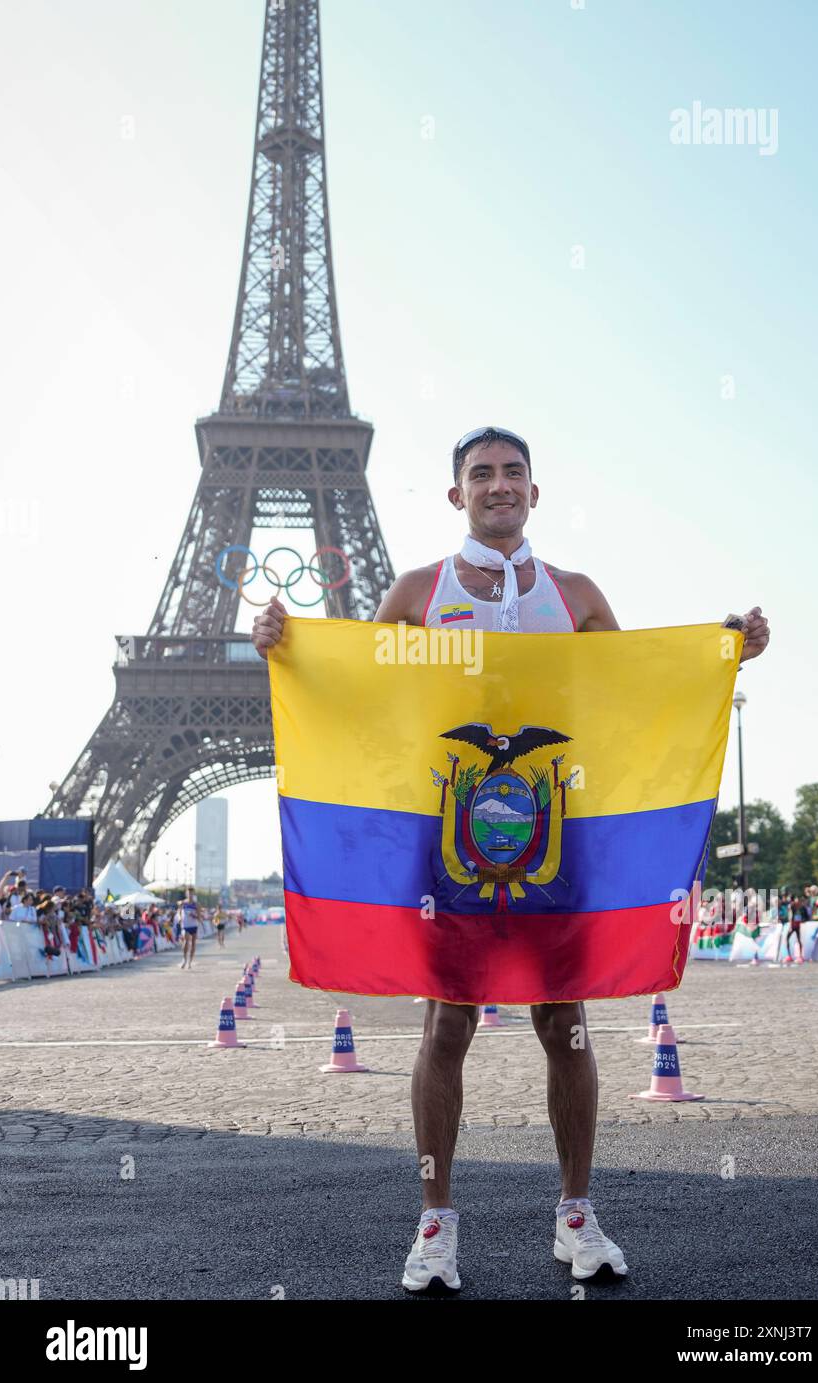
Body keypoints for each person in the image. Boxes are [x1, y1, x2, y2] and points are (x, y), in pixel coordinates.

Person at [250, 424, 772, 1293]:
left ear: (535, 491)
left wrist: (721, 651)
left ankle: (575, 1215)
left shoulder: (576, 594)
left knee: (562, 1022)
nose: (498, 485)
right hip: (452, 842)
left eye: (513, 473)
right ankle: (436, 1222)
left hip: (552, 838)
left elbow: (637, 692)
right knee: (446, 1025)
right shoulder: (419, 589)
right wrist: (288, 641)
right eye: (481, 474)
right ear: (457, 495)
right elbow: (365, 694)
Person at [178, 887, 200, 969]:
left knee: (193, 944)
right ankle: (184, 959)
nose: (190, 895)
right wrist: (180, 918)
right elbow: (179, 911)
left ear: (193, 894)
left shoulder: (196, 904)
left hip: (194, 925)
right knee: (186, 941)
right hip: (185, 925)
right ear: (186, 894)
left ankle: (190, 962)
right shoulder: (183, 903)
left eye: (191, 893)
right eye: (188, 893)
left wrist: (195, 916)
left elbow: (199, 917)